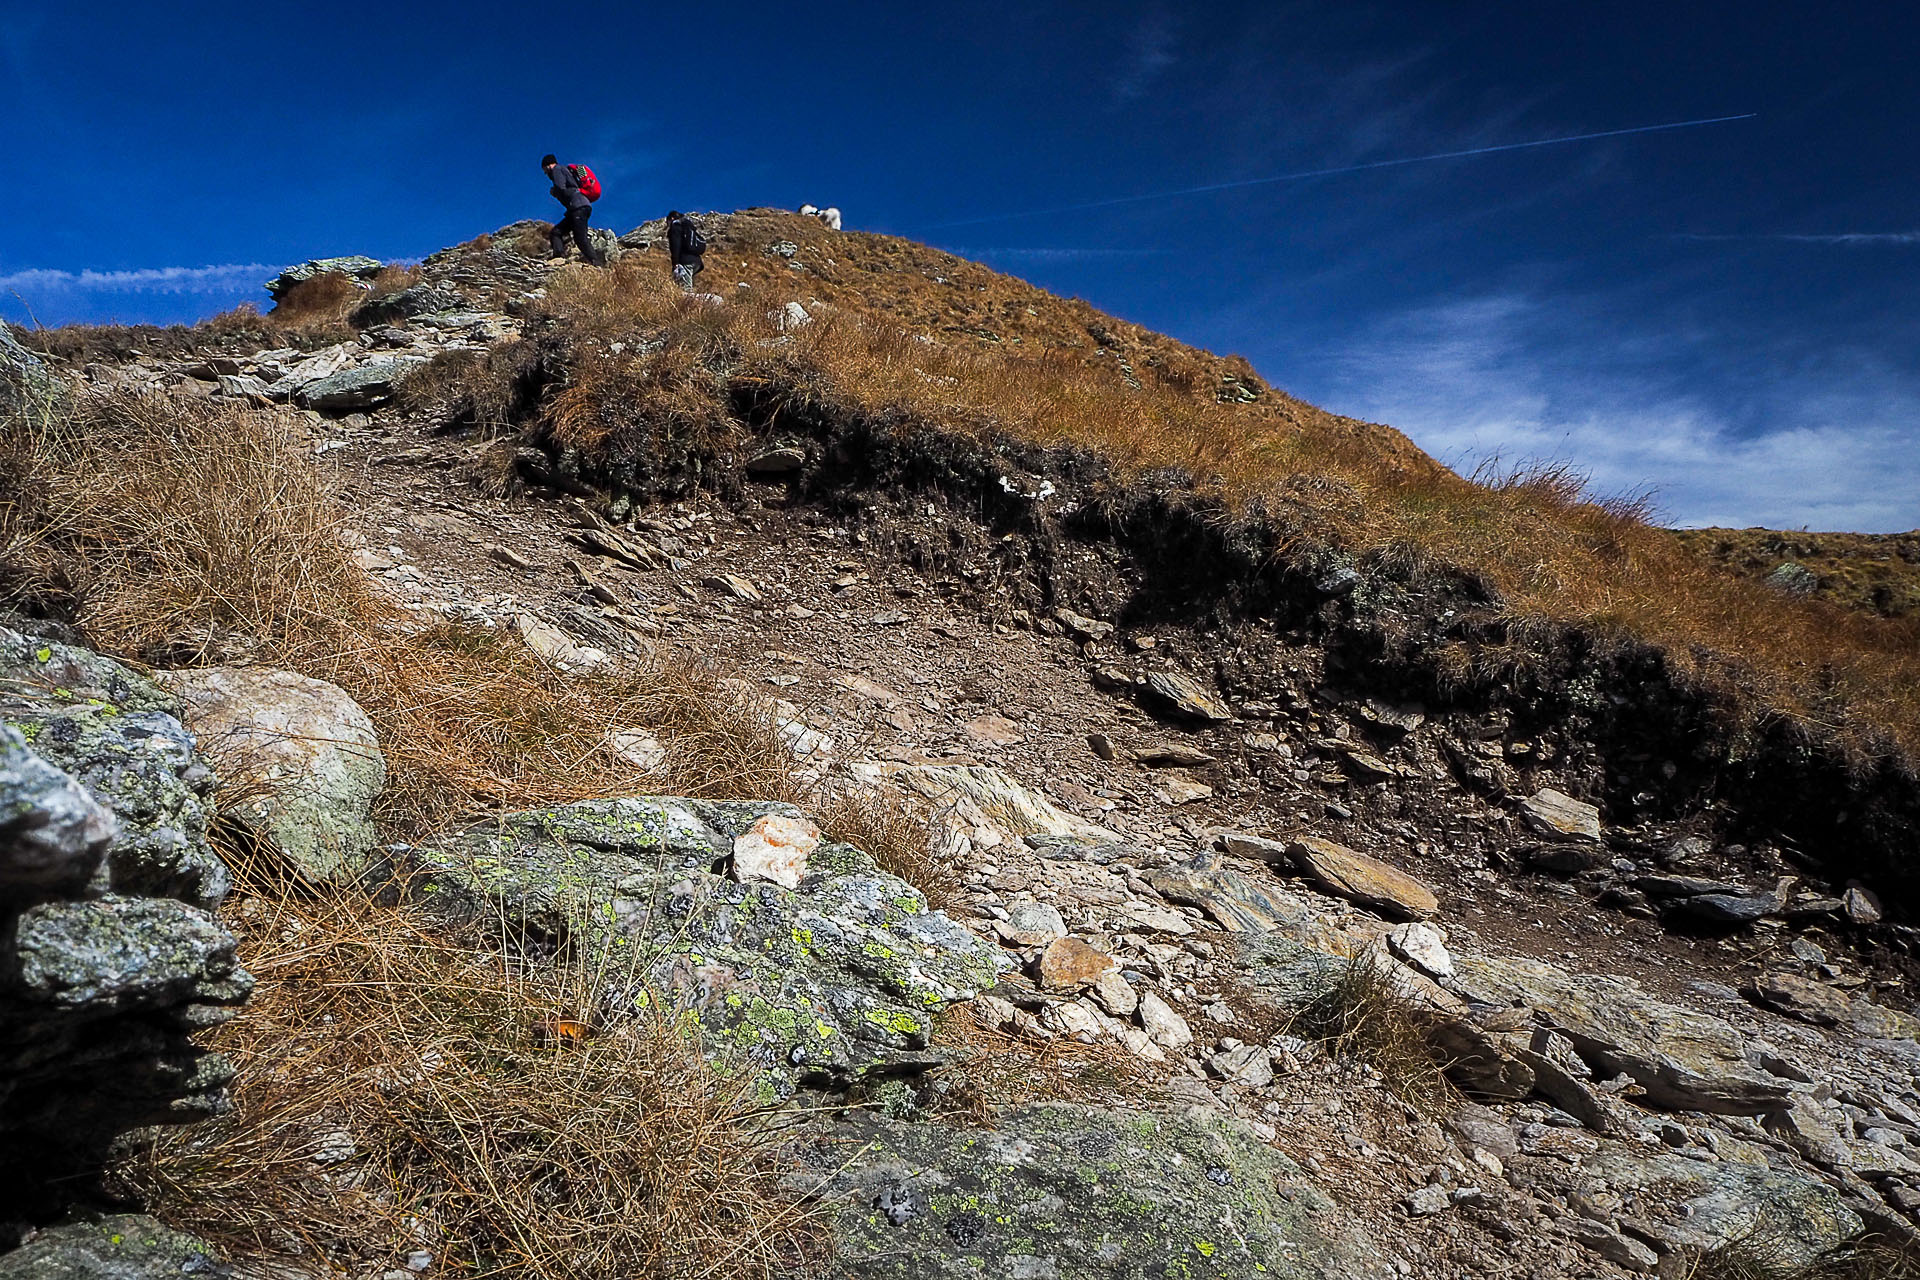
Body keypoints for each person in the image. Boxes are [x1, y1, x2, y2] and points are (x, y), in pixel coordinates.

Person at [542, 154, 603, 266]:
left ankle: (596, 263)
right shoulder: (567, 171)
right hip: (579, 207)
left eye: (544, 170)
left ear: (548, 165)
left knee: (580, 238)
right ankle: (558, 258)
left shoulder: (557, 169)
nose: (545, 173)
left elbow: (561, 188)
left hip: (578, 207)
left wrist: (554, 192)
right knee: (556, 232)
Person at [666, 210, 704, 289]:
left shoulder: (675, 227)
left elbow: (676, 245)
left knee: (686, 290)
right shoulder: (688, 228)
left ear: (672, 218)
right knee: (686, 285)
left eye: (668, 222)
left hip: (685, 261)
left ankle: (693, 301)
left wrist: (675, 263)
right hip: (697, 262)